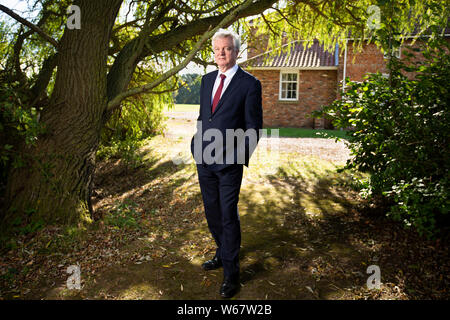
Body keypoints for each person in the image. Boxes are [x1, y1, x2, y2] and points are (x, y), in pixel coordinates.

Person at [190, 28, 263, 298]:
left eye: (227, 49)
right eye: (218, 49)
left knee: (228, 216)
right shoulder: (207, 80)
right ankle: (222, 253)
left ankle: (232, 274)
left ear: (236, 51)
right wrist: (196, 146)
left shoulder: (249, 84)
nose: (222, 53)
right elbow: (204, 118)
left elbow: (254, 128)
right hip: (204, 160)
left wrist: (238, 157)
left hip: (229, 164)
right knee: (212, 213)